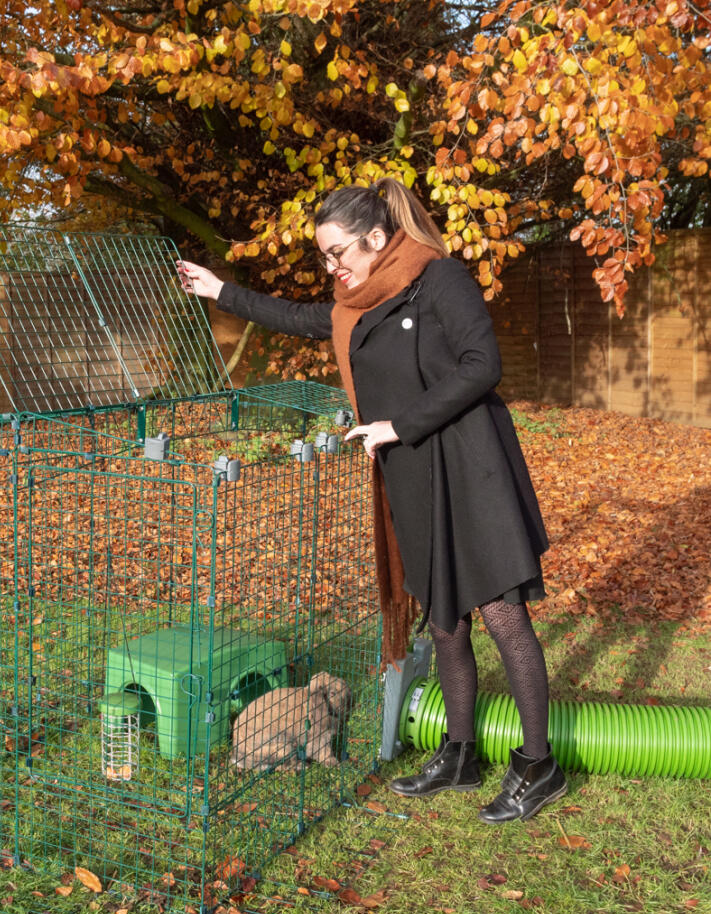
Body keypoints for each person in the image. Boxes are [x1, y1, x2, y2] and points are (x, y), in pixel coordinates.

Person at [177, 178, 567, 823]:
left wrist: (397, 425)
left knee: (501, 615)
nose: (334, 269)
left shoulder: (440, 279)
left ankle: (537, 764)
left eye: (339, 254)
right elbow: (301, 319)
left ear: (378, 238)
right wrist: (222, 292)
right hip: (416, 475)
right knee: (444, 620)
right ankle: (462, 752)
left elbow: (482, 365)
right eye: (325, 258)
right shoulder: (354, 304)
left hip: (470, 466)